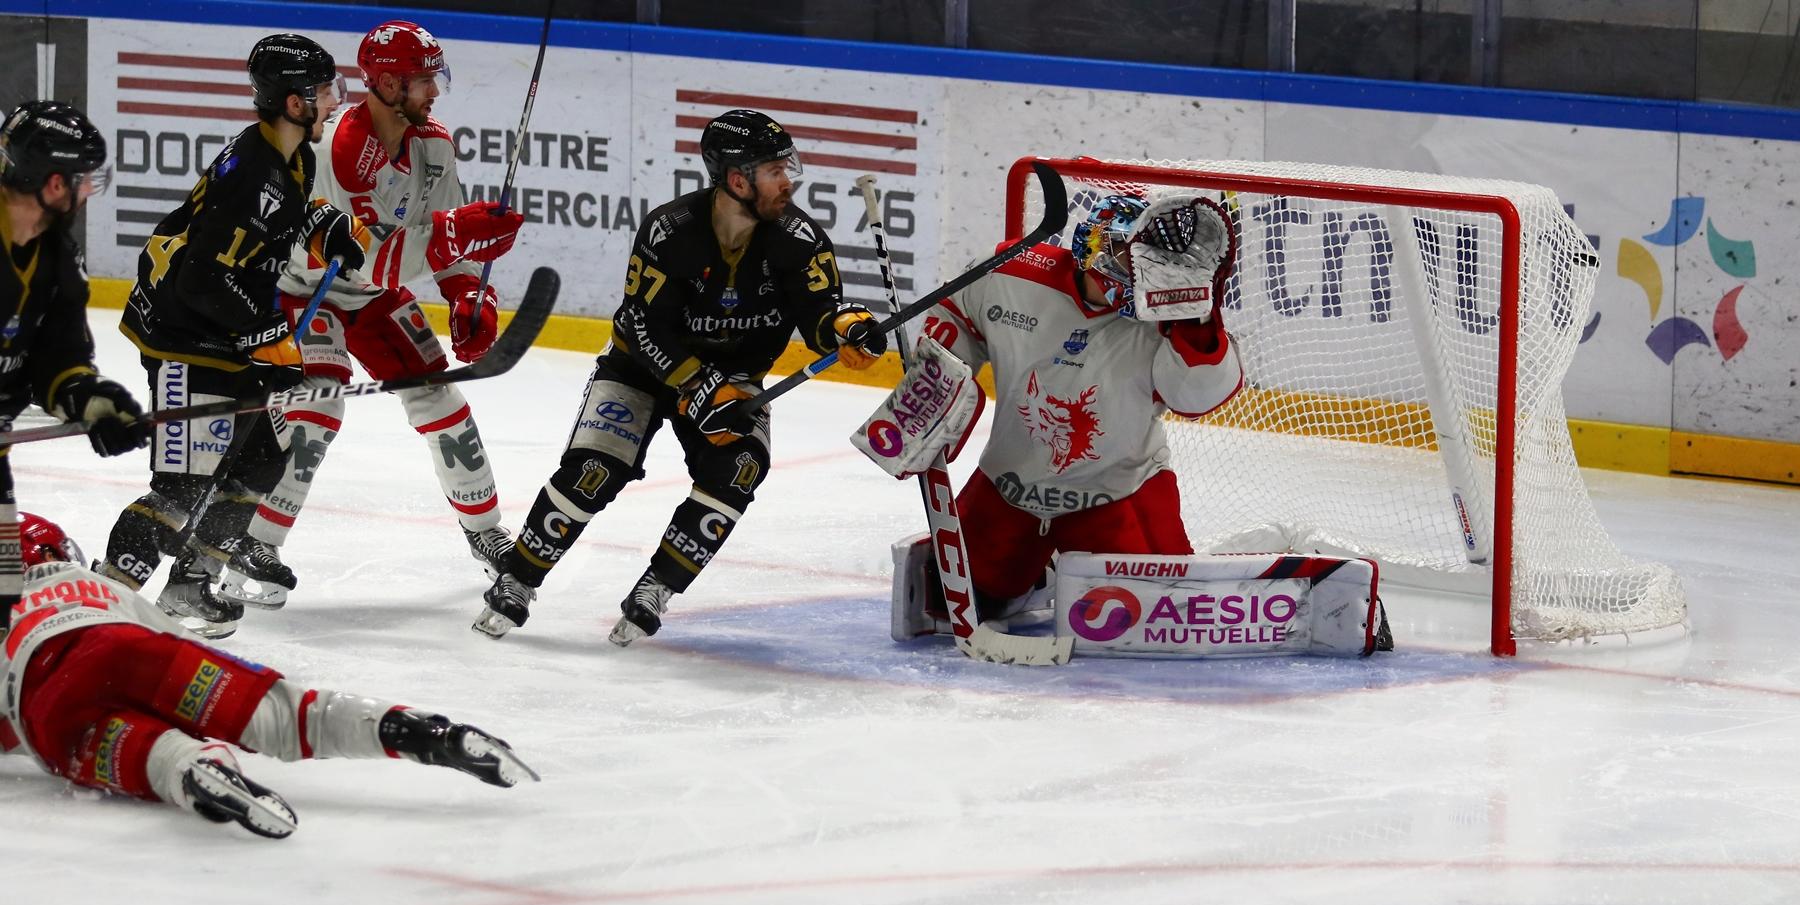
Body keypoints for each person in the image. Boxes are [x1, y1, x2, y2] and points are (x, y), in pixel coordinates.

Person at [472, 109, 887, 645]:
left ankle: (657, 586)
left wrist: (846, 328)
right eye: (774, 169)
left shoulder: (800, 239)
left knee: (739, 469)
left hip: (734, 378)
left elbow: (819, 314)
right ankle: (519, 579)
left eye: (788, 166)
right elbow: (642, 325)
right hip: (642, 368)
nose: (789, 180)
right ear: (738, 180)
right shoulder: (670, 231)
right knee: (595, 468)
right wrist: (694, 385)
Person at [1, 513, 536, 840]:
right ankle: (423, 733)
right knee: (285, 714)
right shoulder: (87, 583)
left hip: (42, 708)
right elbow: (172, 649)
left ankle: (196, 770)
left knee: (154, 753)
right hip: (121, 641)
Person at [241, 20, 526, 610]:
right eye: (424, 81)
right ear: (389, 84)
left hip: (370, 294)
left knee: (441, 400)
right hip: (302, 289)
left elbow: (447, 249)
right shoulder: (340, 149)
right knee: (320, 402)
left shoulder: (434, 145)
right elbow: (373, 258)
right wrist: (459, 234)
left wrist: (472, 297)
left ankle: (486, 532)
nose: (435, 92)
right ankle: (255, 543)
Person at [96, 33, 370, 638]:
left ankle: (190, 587)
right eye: (326, 92)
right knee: (181, 489)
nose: (334, 103)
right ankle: (105, 599)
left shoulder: (290, 153)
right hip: (185, 339)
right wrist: (267, 335)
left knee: (260, 460)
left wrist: (324, 227)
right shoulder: (253, 170)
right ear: (296, 101)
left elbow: (279, 218)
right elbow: (201, 279)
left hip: (222, 332)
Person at [899, 192, 1245, 623]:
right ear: (1092, 243)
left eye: (1149, 265)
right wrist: (938, 388)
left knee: (1159, 613)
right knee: (956, 598)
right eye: (1125, 257)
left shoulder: (1166, 318)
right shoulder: (1012, 271)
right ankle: (1038, 572)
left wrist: (1199, 326)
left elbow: (1197, 398)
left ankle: (1056, 562)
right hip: (1012, 483)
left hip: (1117, 491)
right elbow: (957, 313)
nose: (1138, 275)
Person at [0, 101, 151, 615]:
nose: (90, 191)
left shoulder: (56, 258)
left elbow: (57, 358)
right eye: (84, 179)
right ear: (54, 183)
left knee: (3, 602)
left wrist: (88, 399)